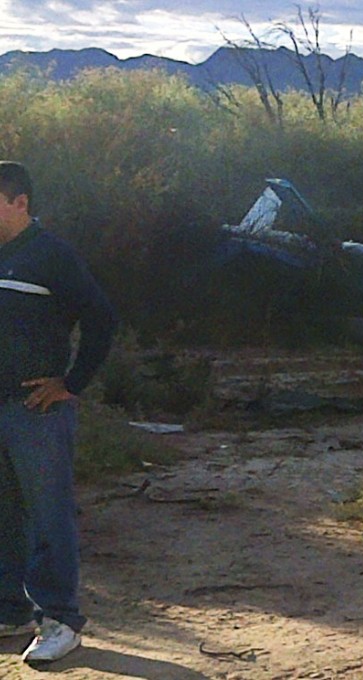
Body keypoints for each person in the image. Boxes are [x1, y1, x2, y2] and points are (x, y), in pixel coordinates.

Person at [0, 161, 116, 663]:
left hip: (35, 410)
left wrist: (71, 383)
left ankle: (60, 620)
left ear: (19, 202)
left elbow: (102, 319)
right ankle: (9, 612)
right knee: (5, 514)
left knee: (48, 515)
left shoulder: (51, 256)